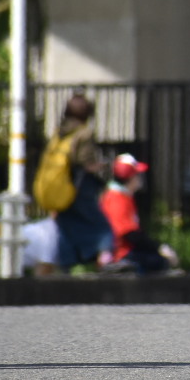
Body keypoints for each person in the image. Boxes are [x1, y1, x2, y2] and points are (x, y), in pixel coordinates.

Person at [50, 94, 114, 272]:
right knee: (102, 227)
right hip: (80, 187)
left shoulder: (59, 132)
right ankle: (105, 260)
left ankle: (65, 267)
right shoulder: (84, 133)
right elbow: (84, 162)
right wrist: (101, 166)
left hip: (60, 188)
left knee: (65, 228)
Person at [100, 154, 180, 274]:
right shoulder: (116, 199)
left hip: (126, 252)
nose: (140, 178)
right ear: (131, 178)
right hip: (120, 255)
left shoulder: (123, 196)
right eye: (137, 174)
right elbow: (130, 235)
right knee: (160, 262)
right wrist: (159, 248)